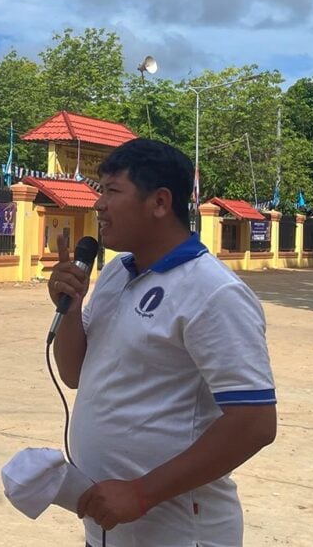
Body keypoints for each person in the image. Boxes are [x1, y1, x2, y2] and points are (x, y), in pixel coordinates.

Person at [49, 138, 277, 546]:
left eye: (113, 191)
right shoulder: (118, 272)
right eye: (100, 191)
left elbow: (254, 424)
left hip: (179, 534)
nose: (99, 204)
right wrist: (71, 307)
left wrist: (141, 492)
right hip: (107, 527)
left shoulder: (213, 292)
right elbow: (72, 373)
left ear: (159, 202)